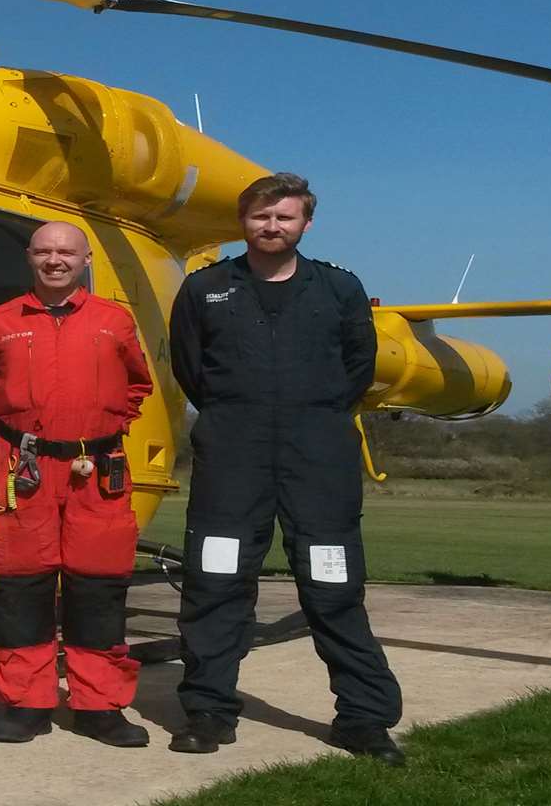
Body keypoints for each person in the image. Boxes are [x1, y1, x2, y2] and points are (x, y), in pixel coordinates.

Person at [167, 173, 403, 765]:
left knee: (333, 586)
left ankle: (364, 719)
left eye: (285, 218)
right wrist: (242, 415)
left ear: (305, 224)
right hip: (232, 459)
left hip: (317, 457)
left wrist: (309, 415)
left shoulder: (340, 289)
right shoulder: (204, 289)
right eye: (260, 217)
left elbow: (358, 365)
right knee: (214, 584)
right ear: (243, 222)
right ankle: (208, 711)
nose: (272, 227)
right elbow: (192, 370)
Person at [0, 220, 154, 747]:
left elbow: (137, 383)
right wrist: (13, 437)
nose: (56, 260)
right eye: (45, 251)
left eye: (66, 252)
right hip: (22, 471)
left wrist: (98, 426)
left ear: (86, 259)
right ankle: (25, 703)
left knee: (98, 586)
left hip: (97, 471)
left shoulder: (113, 321)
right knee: (20, 585)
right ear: (30, 257)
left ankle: (99, 706)